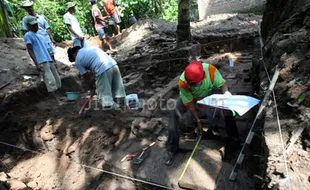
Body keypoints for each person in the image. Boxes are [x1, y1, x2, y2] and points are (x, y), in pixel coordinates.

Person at [164, 60, 240, 166]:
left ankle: (233, 140)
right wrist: (198, 121)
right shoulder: (183, 82)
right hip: (192, 96)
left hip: (209, 92)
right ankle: (172, 148)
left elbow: (223, 84)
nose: (194, 85)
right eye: (192, 84)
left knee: (228, 108)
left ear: (203, 77)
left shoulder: (210, 70)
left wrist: (226, 93)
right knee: (173, 110)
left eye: (196, 83)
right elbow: (190, 104)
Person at [23, 15, 62, 105]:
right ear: (28, 26)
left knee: (56, 79)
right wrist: (36, 63)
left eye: (36, 25)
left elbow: (47, 48)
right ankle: (57, 101)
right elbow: (30, 49)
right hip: (41, 61)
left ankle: (59, 97)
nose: (36, 27)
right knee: (50, 81)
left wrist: (53, 60)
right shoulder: (28, 35)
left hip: (48, 59)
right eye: (33, 26)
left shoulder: (40, 35)